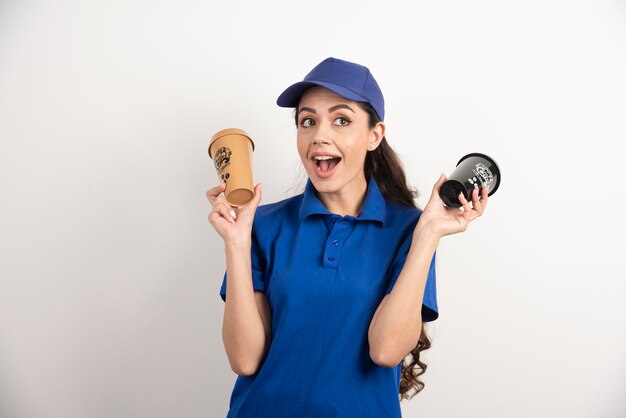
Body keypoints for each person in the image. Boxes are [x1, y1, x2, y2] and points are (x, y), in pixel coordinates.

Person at [206, 57, 488, 418]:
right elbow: (245, 359)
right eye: (307, 121)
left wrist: (429, 233)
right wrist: (236, 241)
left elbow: (386, 351)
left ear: (374, 135)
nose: (320, 135)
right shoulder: (261, 223)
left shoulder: (411, 229)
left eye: (341, 120)